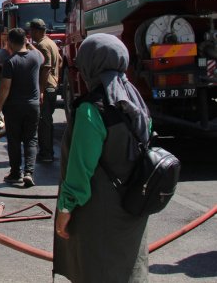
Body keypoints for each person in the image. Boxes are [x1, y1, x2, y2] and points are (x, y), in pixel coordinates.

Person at [53, 33, 150, 282]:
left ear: (91, 63)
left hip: (99, 210)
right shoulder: (135, 99)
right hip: (133, 204)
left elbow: (80, 167)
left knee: (98, 269)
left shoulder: (92, 108)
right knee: (128, 267)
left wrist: (66, 208)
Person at [0, 28, 43, 187]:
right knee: (31, 139)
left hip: (14, 106)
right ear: (25, 41)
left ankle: (16, 172)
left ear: (10, 42)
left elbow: (5, 87)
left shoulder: (11, 61)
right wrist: (29, 45)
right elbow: (42, 56)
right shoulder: (35, 56)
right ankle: (29, 172)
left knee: (14, 140)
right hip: (33, 105)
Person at [29, 18, 61, 163]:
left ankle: (46, 153)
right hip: (52, 85)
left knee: (44, 122)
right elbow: (59, 60)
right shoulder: (51, 43)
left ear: (36, 31)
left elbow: (46, 67)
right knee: (47, 120)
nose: (30, 34)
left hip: (46, 87)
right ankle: (47, 152)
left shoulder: (42, 45)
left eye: (31, 31)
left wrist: (40, 90)